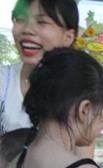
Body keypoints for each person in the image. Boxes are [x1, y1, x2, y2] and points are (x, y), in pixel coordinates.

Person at [0, 0, 78, 136]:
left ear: (68, 37)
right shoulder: (3, 79)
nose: (27, 30)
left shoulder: (83, 87)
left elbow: (82, 155)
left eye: (42, 22)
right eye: (20, 19)